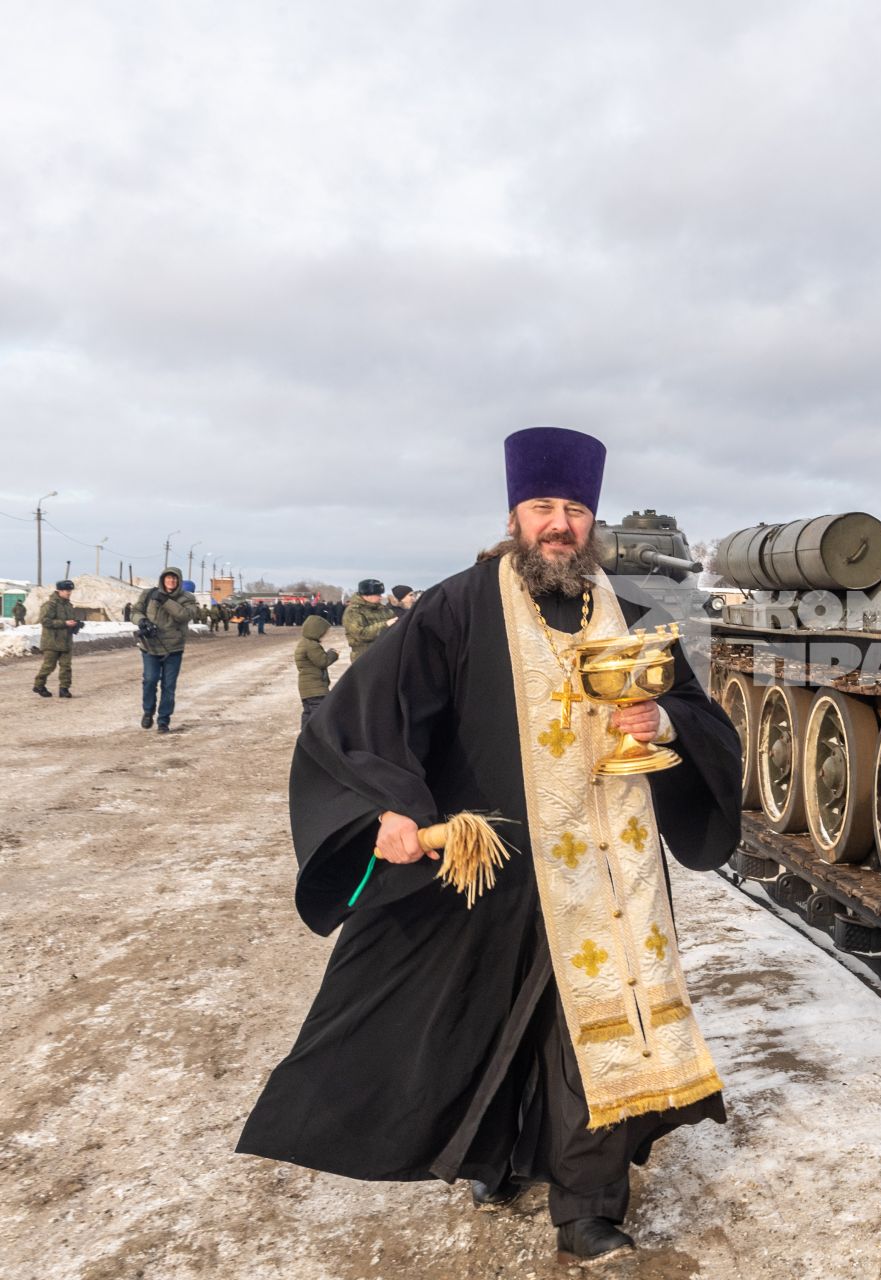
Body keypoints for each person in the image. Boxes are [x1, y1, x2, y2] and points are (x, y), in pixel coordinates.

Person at [238, 427, 741, 1265]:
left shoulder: (629, 612)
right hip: (498, 865)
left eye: (576, 509)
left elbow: (700, 717)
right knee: (491, 1018)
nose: (560, 525)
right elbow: (368, 714)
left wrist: (665, 722)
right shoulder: (460, 603)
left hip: (614, 874)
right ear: (515, 514)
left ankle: (588, 1207)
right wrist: (387, 808)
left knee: (598, 1032)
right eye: (544, 507)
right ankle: (494, 1153)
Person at [138, 567, 199, 732]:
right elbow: (136, 612)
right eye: (168, 578)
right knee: (150, 680)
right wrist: (143, 621)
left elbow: (184, 615)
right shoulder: (149, 594)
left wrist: (165, 600)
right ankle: (148, 711)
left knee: (168, 685)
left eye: (174, 578)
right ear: (162, 579)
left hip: (173, 648)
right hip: (150, 646)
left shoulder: (187, 598)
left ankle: (163, 720)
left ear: (179, 580)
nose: (171, 581)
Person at [32, 580, 82, 698]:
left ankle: (64, 689)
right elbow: (45, 621)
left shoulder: (68, 605)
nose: (69, 593)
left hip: (66, 641)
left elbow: (70, 619)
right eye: (66, 591)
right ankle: (39, 685)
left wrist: (76, 623)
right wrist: (64, 623)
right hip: (52, 641)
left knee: (66, 666)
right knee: (49, 666)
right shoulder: (50, 605)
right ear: (59, 591)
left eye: (70, 591)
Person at [294, 614, 339, 728]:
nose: (324, 636)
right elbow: (322, 661)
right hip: (316, 687)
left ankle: (305, 735)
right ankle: (314, 737)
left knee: (308, 712)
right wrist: (333, 654)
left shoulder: (304, 642)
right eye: (323, 633)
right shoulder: (311, 645)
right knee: (319, 713)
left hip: (306, 688)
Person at [342, 580, 395, 661]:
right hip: (364, 657)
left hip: (385, 655)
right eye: (378, 594)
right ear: (366, 595)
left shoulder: (383, 609)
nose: (380, 597)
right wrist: (386, 625)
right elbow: (360, 634)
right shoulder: (353, 611)